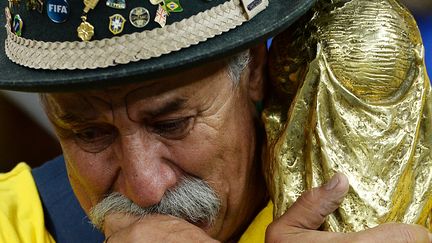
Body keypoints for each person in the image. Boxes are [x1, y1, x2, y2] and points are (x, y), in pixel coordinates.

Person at [0, 0, 431, 242]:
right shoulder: (13, 222)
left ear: (255, 71)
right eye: (89, 134)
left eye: (172, 123)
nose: (145, 188)